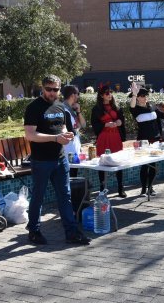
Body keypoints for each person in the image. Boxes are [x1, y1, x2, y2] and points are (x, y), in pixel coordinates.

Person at [23, 75, 90, 246]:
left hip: (60, 159)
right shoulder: (34, 107)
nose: (52, 92)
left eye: (56, 89)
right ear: (42, 88)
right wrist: (55, 138)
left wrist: (66, 134)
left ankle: (72, 232)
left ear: (60, 89)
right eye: (49, 89)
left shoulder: (60, 106)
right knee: (38, 197)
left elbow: (65, 127)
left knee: (65, 196)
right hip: (41, 160)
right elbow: (30, 134)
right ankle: (34, 231)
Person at [91, 86, 127, 197]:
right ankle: (102, 189)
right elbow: (94, 124)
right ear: (101, 95)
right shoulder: (96, 109)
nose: (110, 95)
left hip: (116, 137)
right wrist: (106, 124)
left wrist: (120, 122)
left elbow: (122, 119)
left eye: (111, 92)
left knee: (118, 161)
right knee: (103, 162)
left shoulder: (116, 107)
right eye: (107, 93)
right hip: (104, 137)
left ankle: (121, 188)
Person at [129, 82, 161, 197]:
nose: (144, 97)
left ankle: (150, 187)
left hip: (155, 139)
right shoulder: (136, 109)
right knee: (144, 164)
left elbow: (160, 116)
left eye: (145, 95)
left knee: (153, 164)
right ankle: (143, 188)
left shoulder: (152, 106)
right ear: (137, 98)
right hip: (143, 140)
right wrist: (134, 94)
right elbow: (131, 106)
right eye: (142, 96)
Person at [62, 85, 86, 177]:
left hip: (74, 147)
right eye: (78, 94)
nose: (78, 96)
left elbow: (83, 125)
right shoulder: (64, 110)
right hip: (68, 149)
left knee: (74, 174)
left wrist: (78, 111)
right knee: (71, 176)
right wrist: (77, 129)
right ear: (73, 95)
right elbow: (70, 130)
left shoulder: (72, 109)